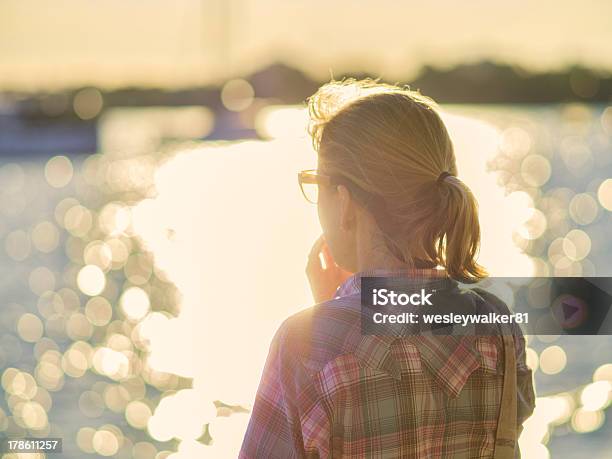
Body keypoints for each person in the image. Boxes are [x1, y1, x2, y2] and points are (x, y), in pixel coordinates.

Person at [239, 78, 535, 458]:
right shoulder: (498, 329)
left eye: (317, 184)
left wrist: (325, 318)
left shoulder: (305, 346)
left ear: (344, 202)